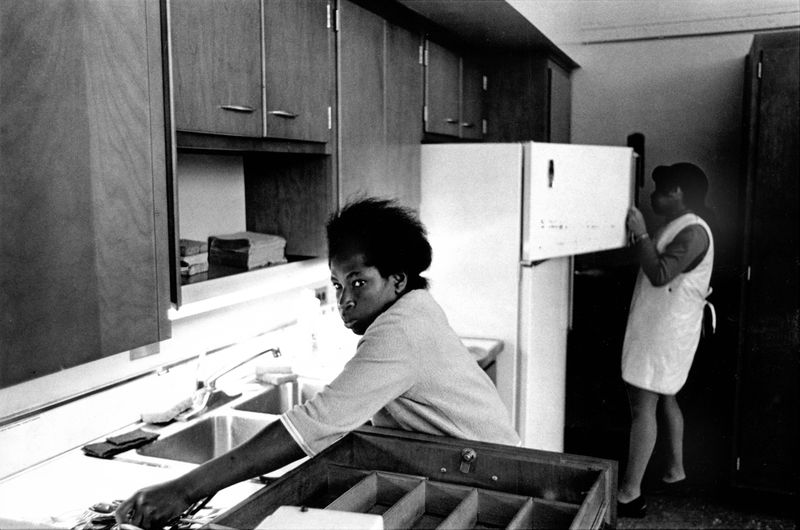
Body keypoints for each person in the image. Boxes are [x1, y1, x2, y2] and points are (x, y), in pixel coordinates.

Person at [116, 197, 520, 528]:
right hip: (482, 470)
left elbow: (312, 424)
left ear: (397, 279)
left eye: (359, 283)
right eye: (338, 285)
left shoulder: (400, 331)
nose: (345, 300)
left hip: (491, 482)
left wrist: (185, 489)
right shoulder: (412, 308)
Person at [617, 162, 715, 518]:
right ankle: (675, 471)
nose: (654, 196)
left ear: (679, 193)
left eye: (661, 190)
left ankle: (630, 494)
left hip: (666, 330)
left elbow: (660, 274)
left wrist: (642, 234)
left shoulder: (694, 232)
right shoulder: (683, 224)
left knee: (643, 406)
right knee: (666, 394)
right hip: (667, 327)